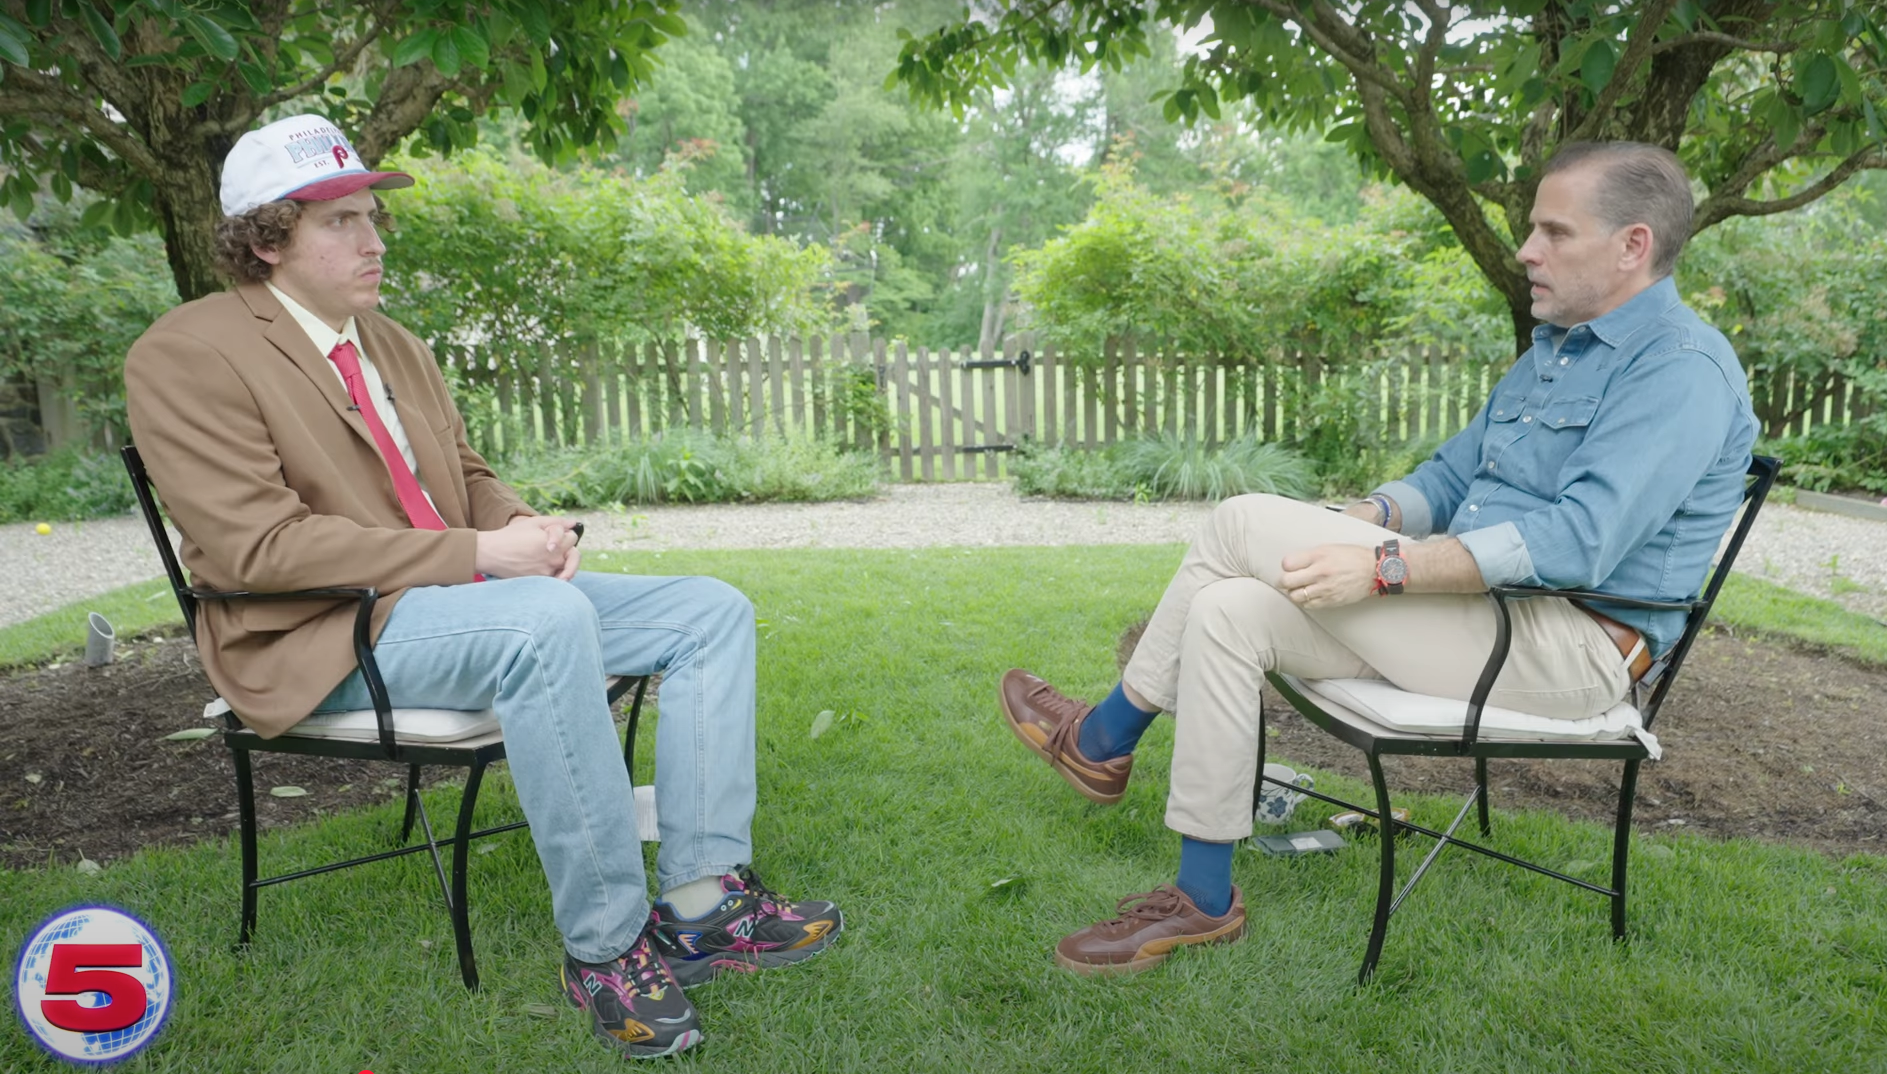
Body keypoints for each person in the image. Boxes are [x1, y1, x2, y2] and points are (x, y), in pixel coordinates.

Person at [123, 115, 840, 1059]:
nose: (374, 240)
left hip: (463, 605)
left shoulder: (389, 343)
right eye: (341, 222)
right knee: (543, 623)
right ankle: (607, 952)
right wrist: (474, 555)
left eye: (372, 217)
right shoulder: (186, 353)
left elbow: (462, 472)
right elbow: (261, 549)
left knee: (708, 610)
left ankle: (704, 905)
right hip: (322, 637)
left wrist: (515, 525)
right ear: (266, 238)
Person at [1000, 141, 1756, 977]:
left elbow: (1578, 541)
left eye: (1552, 232)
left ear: (1631, 245)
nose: (1525, 251)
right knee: (1227, 613)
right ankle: (1202, 898)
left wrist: (1386, 568)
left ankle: (1104, 735)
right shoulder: (1557, 352)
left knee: (1240, 519)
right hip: (1474, 621)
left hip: (1567, 647)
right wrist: (1366, 520)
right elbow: (1447, 476)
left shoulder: (1680, 371)